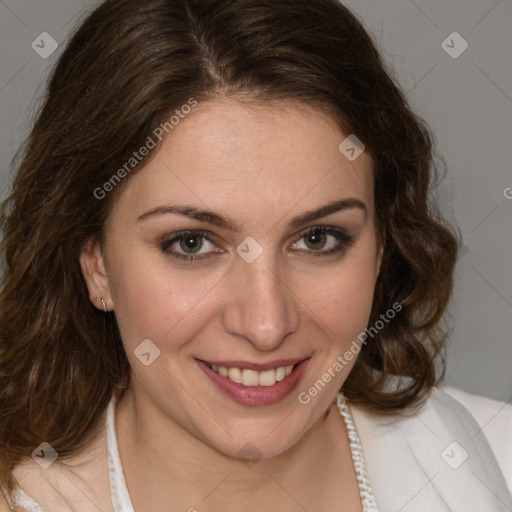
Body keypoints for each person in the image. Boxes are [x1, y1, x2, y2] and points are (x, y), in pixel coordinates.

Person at [0, 0, 510, 510]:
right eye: (192, 243)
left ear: (382, 247)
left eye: (317, 239)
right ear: (96, 264)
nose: (266, 325)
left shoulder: (493, 456)